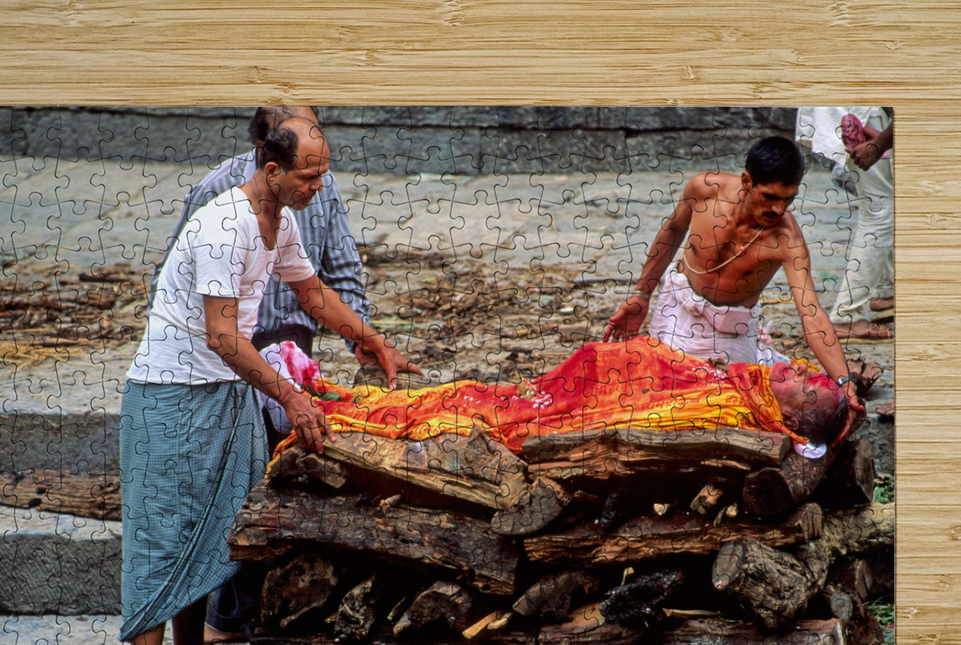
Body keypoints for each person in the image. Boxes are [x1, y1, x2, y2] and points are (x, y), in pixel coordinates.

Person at [120, 117, 419, 645]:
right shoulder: (224, 224)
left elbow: (314, 295)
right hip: (169, 395)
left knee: (205, 529)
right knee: (160, 538)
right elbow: (222, 336)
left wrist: (374, 342)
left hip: (221, 393)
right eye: (309, 176)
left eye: (323, 174)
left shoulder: (279, 222)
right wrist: (291, 395)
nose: (318, 186)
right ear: (273, 168)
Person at [603, 136, 862, 411]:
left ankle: (768, 357)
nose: (779, 209)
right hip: (677, 309)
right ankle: (766, 357)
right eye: (770, 197)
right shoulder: (704, 189)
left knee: (724, 405)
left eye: (789, 199)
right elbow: (672, 230)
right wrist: (641, 295)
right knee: (658, 392)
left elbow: (812, 314)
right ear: (746, 181)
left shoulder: (788, 240)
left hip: (729, 330)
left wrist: (844, 382)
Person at [301, 337, 849, 458]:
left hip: (568, 409)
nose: (799, 367)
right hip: (563, 387)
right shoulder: (748, 387)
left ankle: (340, 409)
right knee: (470, 394)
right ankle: (337, 399)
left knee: (467, 409)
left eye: (805, 382)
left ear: (791, 417)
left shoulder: (730, 410)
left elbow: (631, 416)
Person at [153, 106, 373, 362]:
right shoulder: (217, 193)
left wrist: (365, 340)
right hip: (222, 347)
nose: (311, 141)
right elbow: (170, 279)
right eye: (293, 135)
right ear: (265, 150)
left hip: (293, 338)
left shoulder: (319, 186)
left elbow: (337, 275)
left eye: (313, 132)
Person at [795, 107, 895, 341]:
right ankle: (847, 314)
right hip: (865, 110)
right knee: (881, 209)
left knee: (884, 200)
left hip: (867, 109)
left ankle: (886, 292)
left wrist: (882, 141)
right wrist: (880, 143)